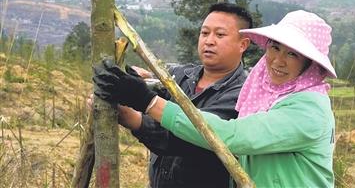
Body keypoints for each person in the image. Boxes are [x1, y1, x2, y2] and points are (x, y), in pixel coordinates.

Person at [93, 10, 337, 187]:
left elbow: (232, 135)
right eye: (274, 48)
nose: (277, 60)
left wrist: (146, 103)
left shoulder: (307, 109)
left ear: (309, 64)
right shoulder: (266, 95)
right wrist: (142, 84)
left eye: (292, 54)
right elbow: (174, 93)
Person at [94, 2, 253, 188]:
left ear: (243, 44)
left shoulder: (243, 96)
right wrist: (126, 79)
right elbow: (154, 91)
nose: (209, 41)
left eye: (220, 34)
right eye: (204, 33)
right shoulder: (180, 76)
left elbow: (187, 138)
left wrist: (132, 116)